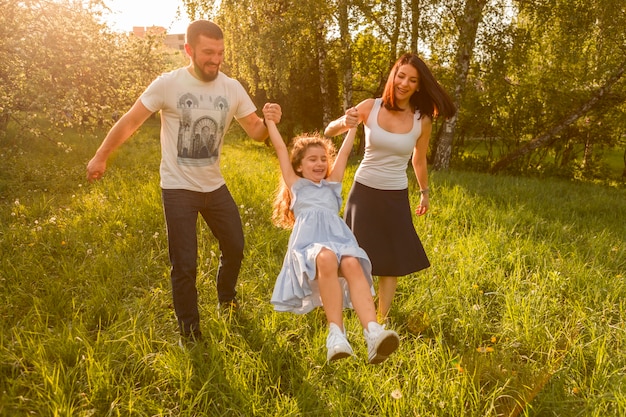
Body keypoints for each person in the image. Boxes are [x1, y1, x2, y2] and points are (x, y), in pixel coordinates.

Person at [86, 20, 282, 342]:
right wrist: (101, 155)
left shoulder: (231, 88)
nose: (215, 59)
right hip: (177, 189)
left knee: (235, 246)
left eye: (220, 52)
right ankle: (190, 331)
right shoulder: (168, 84)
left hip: (214, 185)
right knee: (185, 264)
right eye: (208, 52)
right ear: (189, 50)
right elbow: (131, 121)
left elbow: (257, 132)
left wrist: (270, 121)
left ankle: (226, 299)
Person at [324, 53, 456, 321]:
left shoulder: (422, 120)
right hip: (363, 192)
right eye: (401, 75)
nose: (404, 83)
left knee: (390, 262)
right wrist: (344, 121)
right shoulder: (370, 107)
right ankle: (335, 307)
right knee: (350, 255)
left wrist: (425, 193)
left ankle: (380, 319)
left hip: (395, 195)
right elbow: (329, 130)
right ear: (393, 76)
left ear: (419, 86)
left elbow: (418, 159)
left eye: (412, 80)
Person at [263, 115, 399, 364]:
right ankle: (336, 335)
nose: (319, 164)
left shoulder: (332, 185)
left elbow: (345, 154)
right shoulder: (297, 186)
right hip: (309, 247)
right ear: (299, 167)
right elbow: (281, 148)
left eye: (324, 159)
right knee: (325, 258)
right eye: (312, 159)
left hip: (338, 241)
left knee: (351, 263)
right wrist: (270, 121)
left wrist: (352, 128)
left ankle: (373, 331)